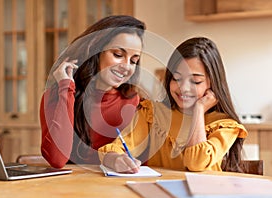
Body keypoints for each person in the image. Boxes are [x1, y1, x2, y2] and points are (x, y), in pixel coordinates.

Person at [98, 37, 247, 173]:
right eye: (177, 78)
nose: (184, 88)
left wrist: (199, 110)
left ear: (212, 83)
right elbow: (117, 148)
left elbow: (196, 162)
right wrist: (114, 159)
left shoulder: (225, 125)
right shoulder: (151, 113)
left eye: (195, 81)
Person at [40, 15, 146, 168]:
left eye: (133, 60)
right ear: (95, 51)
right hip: (71, 189)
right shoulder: (58, 95)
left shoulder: (135, 102)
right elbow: (57, 159)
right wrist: (66, 87)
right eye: (118, 55)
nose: (127, 66)